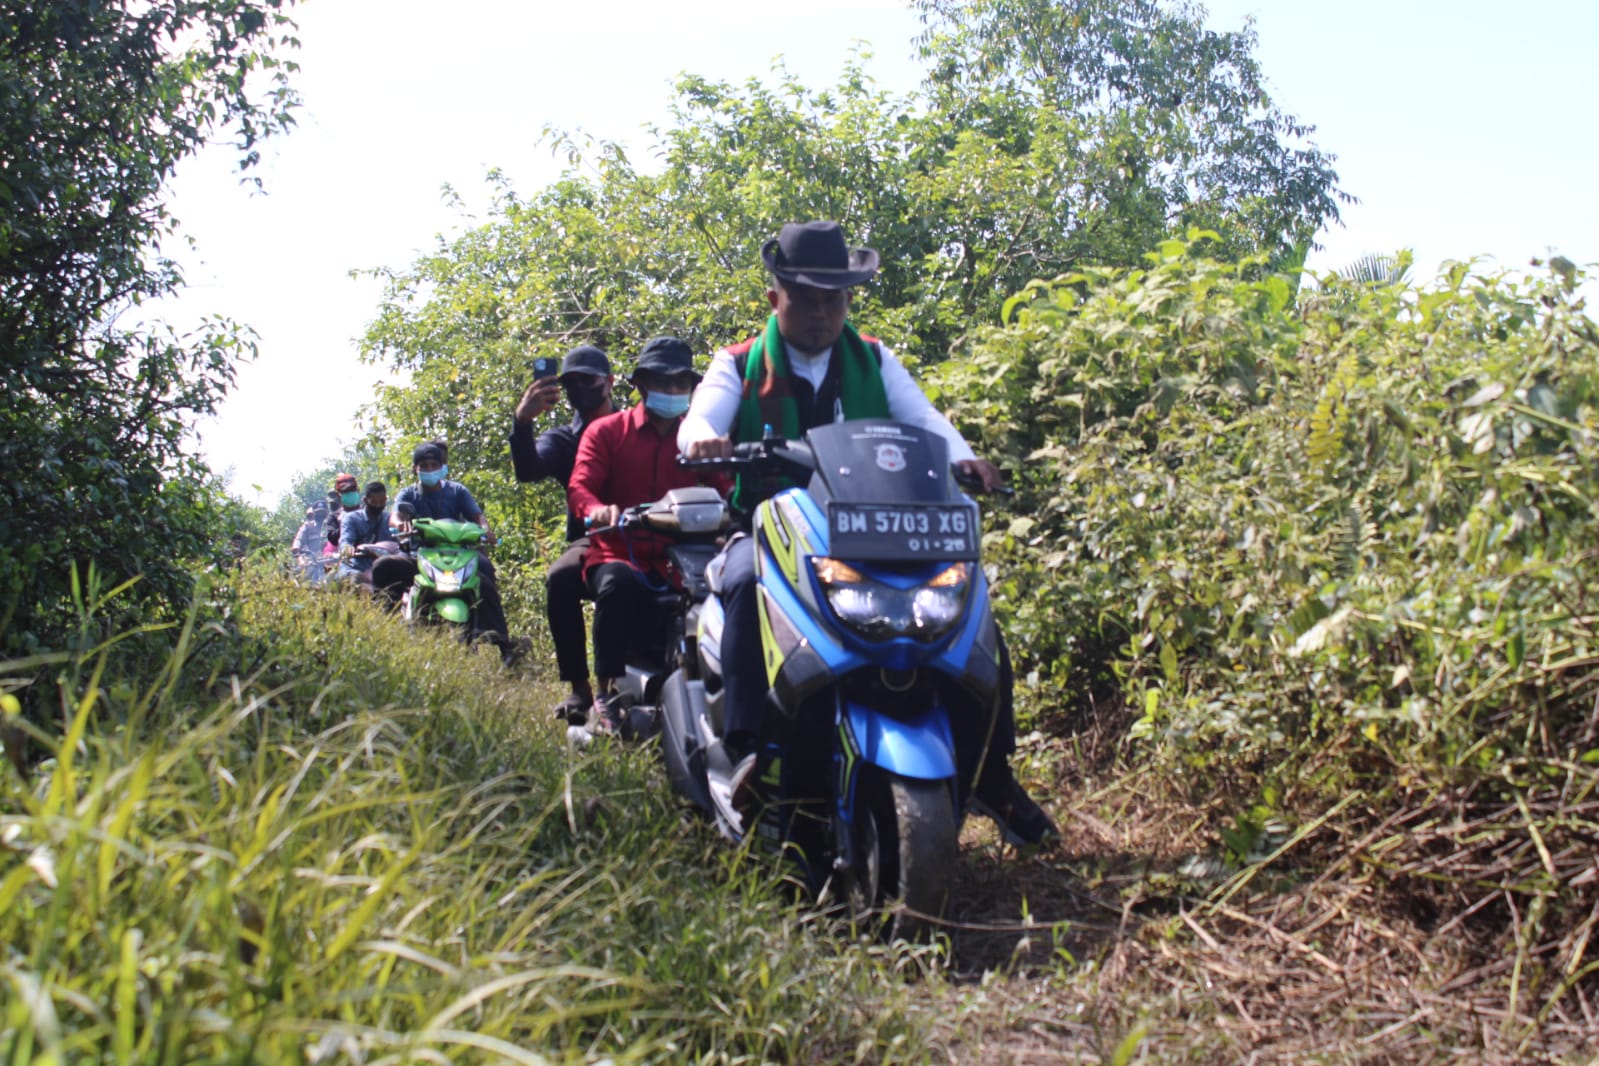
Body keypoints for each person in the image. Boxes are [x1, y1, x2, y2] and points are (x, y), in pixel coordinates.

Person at [679, 220, 1057, 846]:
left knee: (970, 595)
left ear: (850, 301)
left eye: (836, 299)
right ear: (776, 299)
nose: (823, 313)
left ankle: (992, 768)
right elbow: (700, 418)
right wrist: (704, 440)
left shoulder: (875, 358)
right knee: (744, 581)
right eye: (806, 298)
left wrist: (966, 461)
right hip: (771, 524)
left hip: (872, 529)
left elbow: (925, 420)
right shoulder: (737, 363)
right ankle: (748, 750)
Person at [567, 337, 729, 735]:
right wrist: (596, 509)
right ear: (640, 384)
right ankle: (604, 694)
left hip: (687, 559)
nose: (673, 392)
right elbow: (580, 486)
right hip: (620, 553)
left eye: (681, 384)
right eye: (663, 382)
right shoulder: (607, 432)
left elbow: (726, 487)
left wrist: (737, 516)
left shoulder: (698, 440)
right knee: (617, 584)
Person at [509, 345, 619, 721]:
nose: (580, 390)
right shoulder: (563, 440)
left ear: (609, 382)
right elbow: (529, 470)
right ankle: (581, 688)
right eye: (570, 384)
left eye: (588, 380)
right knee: (560, 578)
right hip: (591, 540)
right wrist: (522, 423)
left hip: (648, 531)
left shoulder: (631, 428)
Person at [382, 443, 521, 664]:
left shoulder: (457, 491)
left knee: (485, 573)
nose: (429, 470)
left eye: (434, 465)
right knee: (384, 567)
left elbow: (477, 516)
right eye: (424, 466)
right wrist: (401, 524)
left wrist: (485, 530)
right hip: (419, 555)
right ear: (415, 470)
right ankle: (386, 625)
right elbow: (395, 516)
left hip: (458, 556)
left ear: (443, 467)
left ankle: (504, 645)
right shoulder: (408, 494)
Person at [336, 480, 394, 585]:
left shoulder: (389, 519)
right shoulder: (352, 519)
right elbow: (345, 540)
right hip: (356, 567)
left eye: (381, 502)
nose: (378, 506)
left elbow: (398, 543)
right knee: (356, 580)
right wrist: (347, 548)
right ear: (365, 500)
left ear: (386, 500)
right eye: (374, 502)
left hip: (382, 568)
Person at [292, 505, 326, 584]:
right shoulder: (307, 526)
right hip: (312, 560)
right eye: (310, 516)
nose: (313, 517)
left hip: (330, 559)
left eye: (322, 512)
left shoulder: (330, 523)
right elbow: (298, 541)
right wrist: (300, 559)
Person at [326, 473, 361, 549]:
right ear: (339, 495)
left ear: (358, 490)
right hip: (348, 556)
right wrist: (344, 524)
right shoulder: (334, 516)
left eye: (352, 490)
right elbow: (332, 539)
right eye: (345, 491)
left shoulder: (368, 512)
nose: (350, 493)